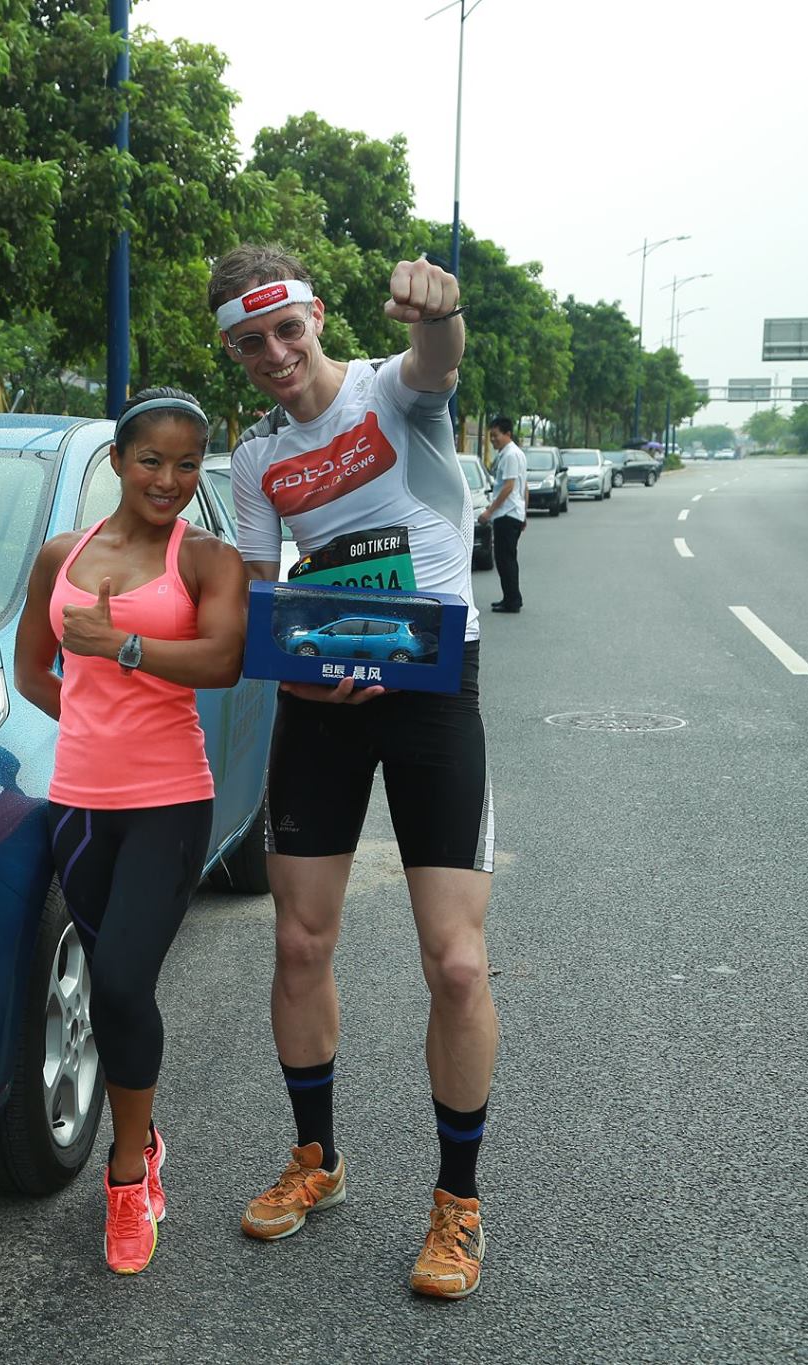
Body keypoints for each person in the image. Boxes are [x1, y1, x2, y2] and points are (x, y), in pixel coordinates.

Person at [211, 245, 498, 1300]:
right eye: (251, 343)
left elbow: (439, 358)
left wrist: (440, 308)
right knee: (298, 940)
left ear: (318, 317)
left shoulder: (391, 390)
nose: (275, 354)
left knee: (455, 963)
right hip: (321, 699)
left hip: (431, 692)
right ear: (236, 354)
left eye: (286, 329)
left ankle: (457, 1203)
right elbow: (259, 599)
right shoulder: (255, 458)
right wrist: (293, 668)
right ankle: (315, 1160)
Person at [13, 386, 247, 1276]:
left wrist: (123, 648)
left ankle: (125, 1173)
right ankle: (144, 1139)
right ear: (116, 461)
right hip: (79, 804)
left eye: (188, 464)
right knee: (114, 996)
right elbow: (33, 669)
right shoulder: (61, 558)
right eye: (151, 460)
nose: (169, 479)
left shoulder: (208, 559)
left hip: (169, 801)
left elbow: (222, 660)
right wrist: (88, 721)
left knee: (118, 979)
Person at [481, 418, 527, 613]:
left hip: (507, 514)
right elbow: (524, 487)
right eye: (491, 436)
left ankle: (512, 600)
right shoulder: (516, 454)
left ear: (508, 434)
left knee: (505, 559)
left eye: (495, 435)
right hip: (514, 512)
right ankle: (510, 597)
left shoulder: (510, 455)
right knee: (507, 558)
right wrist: (524, 513)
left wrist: (489, 511)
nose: (493, 439)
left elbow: (509, 487)